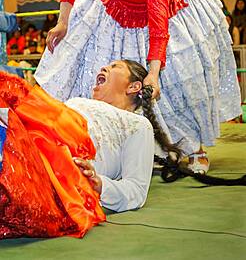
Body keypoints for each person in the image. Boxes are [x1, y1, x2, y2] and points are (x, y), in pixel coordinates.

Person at [35, 0, 241, 174]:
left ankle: (195, 148)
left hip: (168, 7)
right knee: (101, 73)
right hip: (117, 3)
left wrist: (153, 72)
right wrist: (63, 22)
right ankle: (123, 144)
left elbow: (158, 23)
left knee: (178, 80)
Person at [0, 59, 179, 239]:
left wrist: (99, 183)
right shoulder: (77, 102)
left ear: (133, 86)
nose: (104, 67)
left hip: (59, 167)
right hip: (32, 136)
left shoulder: (139, 125)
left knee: (10, 91)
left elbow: (136, 191)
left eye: (115, 66)